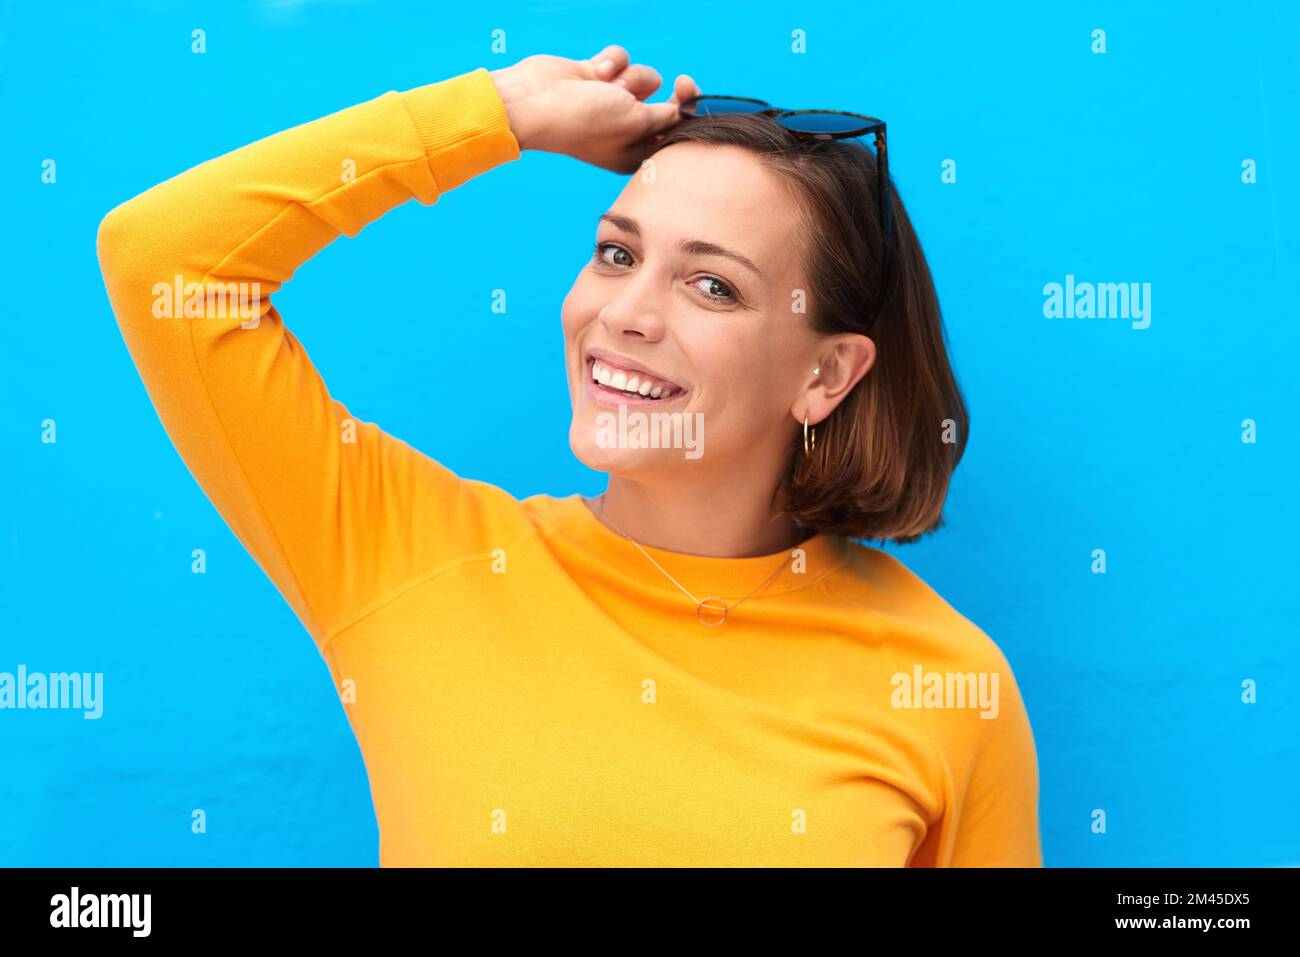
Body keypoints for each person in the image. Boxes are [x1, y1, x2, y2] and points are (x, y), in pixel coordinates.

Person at [97, 44, 1042, 866]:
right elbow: (165, 260)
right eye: (617, 254)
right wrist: (501, 114)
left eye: (712, 285)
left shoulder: (948, 680)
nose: (625, 314)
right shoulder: (412, 559)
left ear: (827, 376)